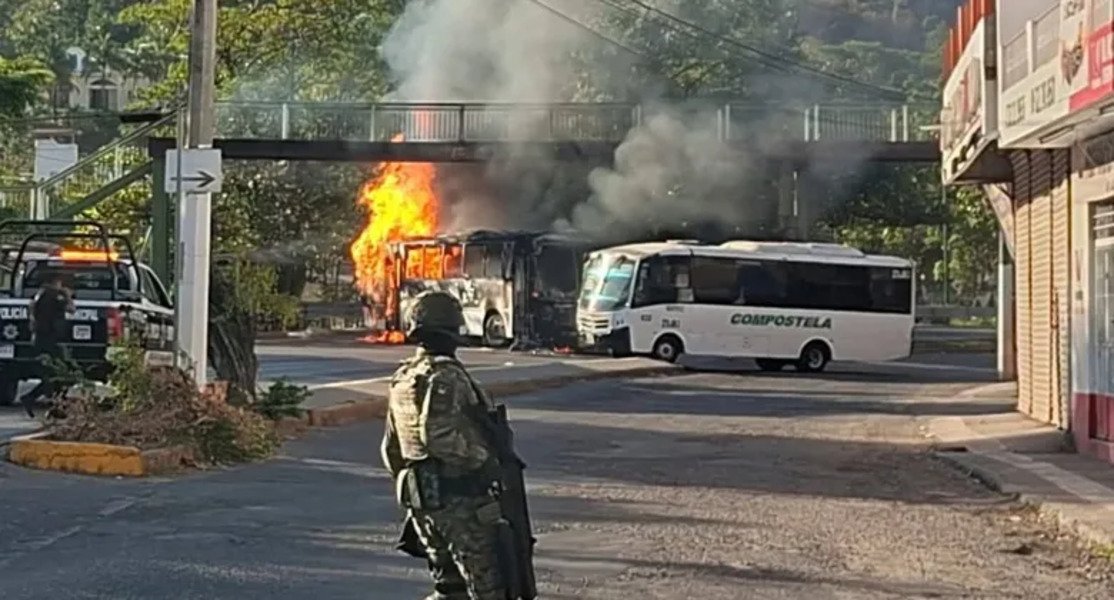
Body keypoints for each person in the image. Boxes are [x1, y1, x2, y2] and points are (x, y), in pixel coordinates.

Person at [381, 291, 506, 600]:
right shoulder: (446, 376)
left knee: (448, 588)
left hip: (424, 502)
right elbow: (437, 435)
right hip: (460, 500)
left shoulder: (403, 378)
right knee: (489, 589)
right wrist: (483, 461)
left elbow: (392, 448)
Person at [19, 273, 74, 418]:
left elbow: (31, 310)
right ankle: (31, 398)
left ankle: (57, 407)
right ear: (57, 282)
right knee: (59, 375)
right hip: (49, 339)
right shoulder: (55, 296)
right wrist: (67, 296)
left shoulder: (39, 295)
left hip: (39, 338)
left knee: (53, 375)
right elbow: (71, 309)